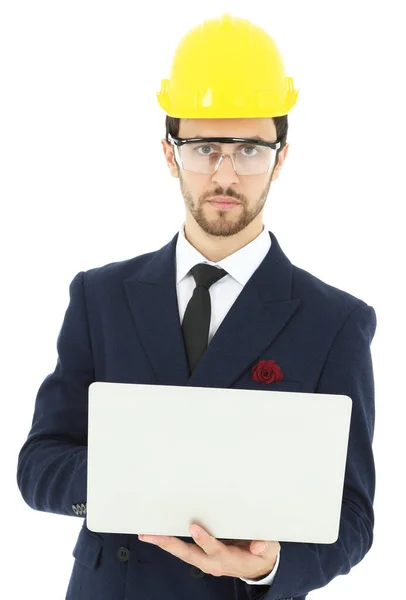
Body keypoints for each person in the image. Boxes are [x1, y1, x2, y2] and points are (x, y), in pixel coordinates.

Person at [16, 12, 377, 600]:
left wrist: (265, 566)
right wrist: (127, 482)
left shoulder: (335, 324)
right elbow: (38, 469)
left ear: (281, 158)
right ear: (169, 153)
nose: (226, 173)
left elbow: (354, 517)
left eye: (251, 149)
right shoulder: (99, 298)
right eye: (204, 147)